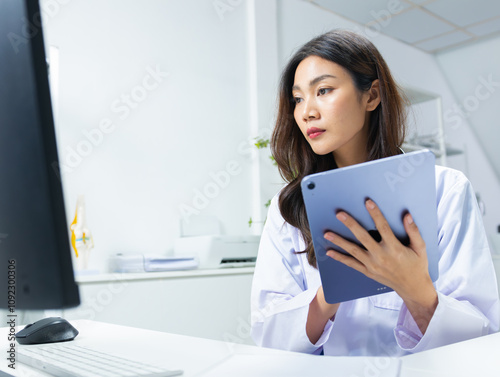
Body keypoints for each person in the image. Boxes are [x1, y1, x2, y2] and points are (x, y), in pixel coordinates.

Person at [250, 29, 500, 357]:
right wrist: (328, 297)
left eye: (323, 90)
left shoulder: (445, 190)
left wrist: (417, 291)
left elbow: (482, 337)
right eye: (298, 98)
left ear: (371, 96)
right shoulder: (290, 206)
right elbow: (267, 335)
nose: (307, 111)